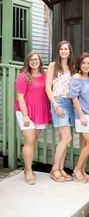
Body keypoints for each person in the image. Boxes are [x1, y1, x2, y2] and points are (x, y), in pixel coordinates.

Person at [15, 51, 51, 185]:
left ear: (40, 61)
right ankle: (28, 170)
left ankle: (27, 166)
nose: (34, 61)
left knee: (32, 140)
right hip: (26, 111)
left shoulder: (45, 75)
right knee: (30, 140)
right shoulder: (23, 76)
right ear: (28, 63)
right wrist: (25, 116)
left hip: (40, 111)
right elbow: (20, 97)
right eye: (31, 60)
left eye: (36, 59)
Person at [46, 40, 75, 182]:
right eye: (61, 49)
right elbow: (47, 87)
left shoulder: (72, 67)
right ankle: (55, 169)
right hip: (58, 102)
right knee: (67, 137)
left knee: (63, 139)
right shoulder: (53, 65)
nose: (64, 51)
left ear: (70, 52)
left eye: (66, 49)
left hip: (70, 104)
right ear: (58, 51)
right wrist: (55, 105)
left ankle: (61, 169)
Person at [70, 52, 89, 183]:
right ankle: (77, 170)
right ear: (79, 65)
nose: (86, 65)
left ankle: (82, 170)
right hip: (84, 116)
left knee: (85, 145)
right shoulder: (77, 77)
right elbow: (74, 97)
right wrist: (81, 116)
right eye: (84, 63)